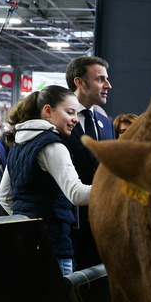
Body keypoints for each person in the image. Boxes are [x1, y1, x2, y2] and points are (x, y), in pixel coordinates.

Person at [0, 85, 91, 276]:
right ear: (48, 110)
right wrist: (116, 187)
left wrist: (30, 223)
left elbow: (4, 196)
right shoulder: (52, 145)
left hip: (24, 243)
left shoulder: (17, 144)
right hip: (54, 247)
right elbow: (76, 194)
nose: (75, 119)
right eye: (70, 112)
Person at [60, 55, 114, 270]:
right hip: (66, 230)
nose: (108, 85)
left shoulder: (106, 123)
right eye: (101, 79)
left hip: (102, 227)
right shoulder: (56, 123)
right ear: (79, 82)